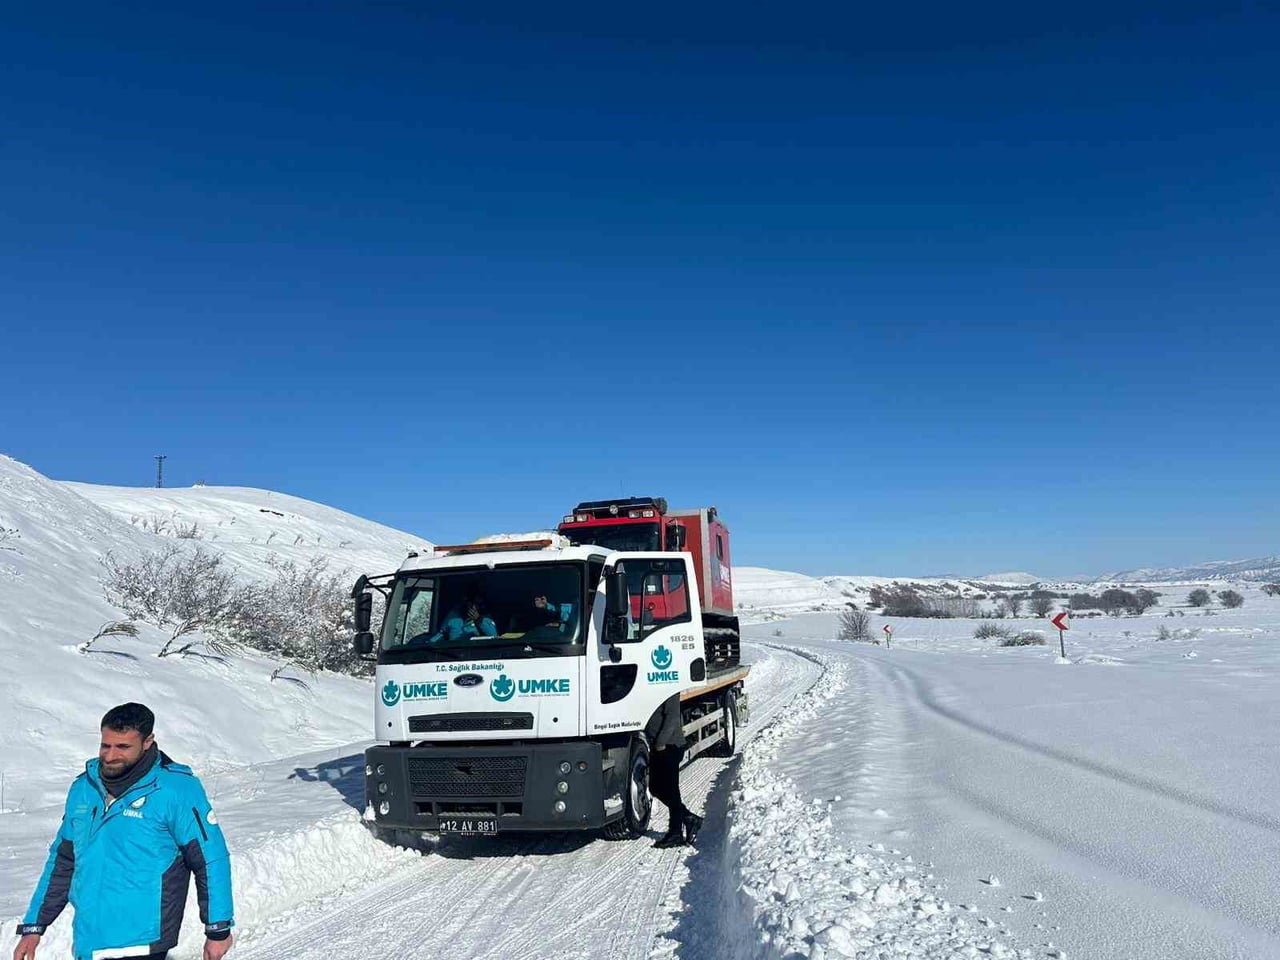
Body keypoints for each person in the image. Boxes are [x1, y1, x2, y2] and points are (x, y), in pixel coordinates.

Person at [13, 703, 234, 960]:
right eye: (105, 745)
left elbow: (210, 859)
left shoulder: (176, 789)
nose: (110, 756)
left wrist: (217, 929)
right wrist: (35, 925)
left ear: (147, 742)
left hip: (141, 943)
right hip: (88, 941)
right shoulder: (84, 788)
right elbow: (63, 860)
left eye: (123, 747)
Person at [645, 693, 703, 848]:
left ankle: (675, 832)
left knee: (671, 790)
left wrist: (661, 742)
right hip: (657, 745)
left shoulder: (669, 687)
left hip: (669, 745)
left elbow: (672, 717)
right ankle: (688, 818)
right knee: (655, 788)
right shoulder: (652, 684)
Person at [427, 591, 497, 644]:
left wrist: (479, 620)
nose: (472, 607)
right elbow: (442, 634)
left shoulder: (486, 619)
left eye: (476, 604)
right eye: (468, 602)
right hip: (453, 655)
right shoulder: (453, 617)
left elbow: (494, 637)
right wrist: (429, 645)